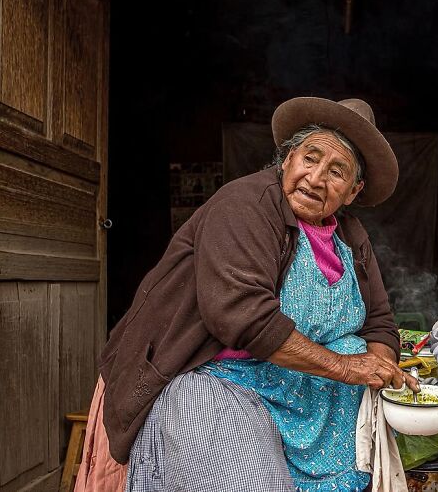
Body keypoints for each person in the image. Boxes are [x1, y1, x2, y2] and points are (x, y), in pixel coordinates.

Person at [75, 96, 418, 492]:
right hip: (215, 383)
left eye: (336, 171)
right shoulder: (245, 204)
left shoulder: (351, 235)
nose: (316, 178)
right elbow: (243, 317)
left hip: (315, 403)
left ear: (353, 191)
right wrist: (348, 367)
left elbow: (380, 323)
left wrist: (380, 367)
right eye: (310, 158)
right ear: (287, 159)